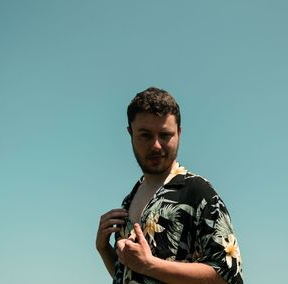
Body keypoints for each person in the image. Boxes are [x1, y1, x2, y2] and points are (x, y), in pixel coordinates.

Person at [96, 87, 243, 284]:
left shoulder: (196, 191)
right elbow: (131, 275)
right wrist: (104, 249)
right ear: (130, 134)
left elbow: (229, 275)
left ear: (179, 133)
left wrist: (150, 265)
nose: (156, 145)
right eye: (145, 135)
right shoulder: (129, 199)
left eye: (165, 135)